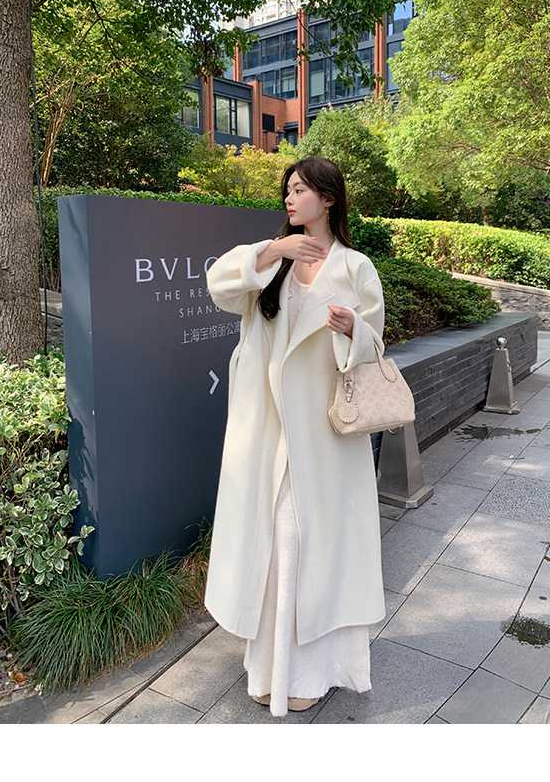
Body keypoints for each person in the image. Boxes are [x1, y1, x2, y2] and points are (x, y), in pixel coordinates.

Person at [204, 156, 386, 719]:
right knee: (273, 544)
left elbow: (376, 342)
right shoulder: (273, 259)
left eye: (301, 189)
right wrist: (273, 251)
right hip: (267, 426)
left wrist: (354, 330)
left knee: (310, 545)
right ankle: (268, 671)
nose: (290, 197)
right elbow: (219, 285)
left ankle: (313, 673)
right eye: (287, 189)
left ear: (328, 198)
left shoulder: (354, 266)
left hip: (323, 433)